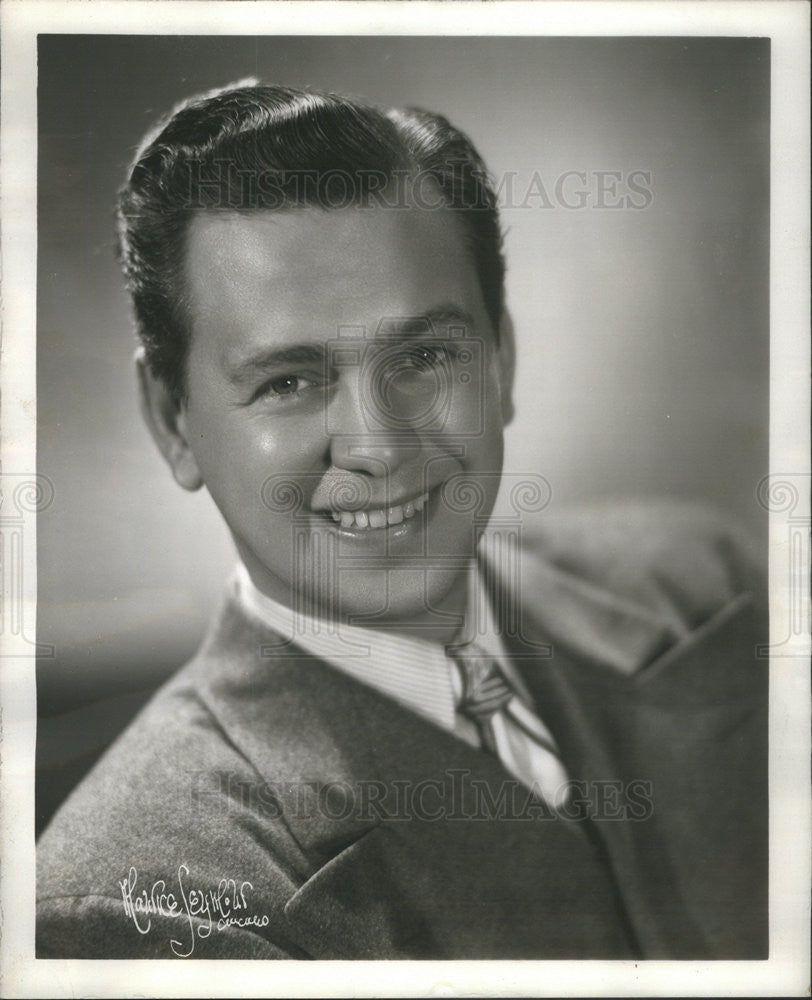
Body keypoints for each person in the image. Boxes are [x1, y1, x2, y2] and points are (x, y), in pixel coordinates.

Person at [36, 82, 767, 960]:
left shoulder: (707, 588)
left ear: (501, 358)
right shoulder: (146, 905)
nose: (378, 448)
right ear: (172, 420)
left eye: (423, 357)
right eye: (288, 382)